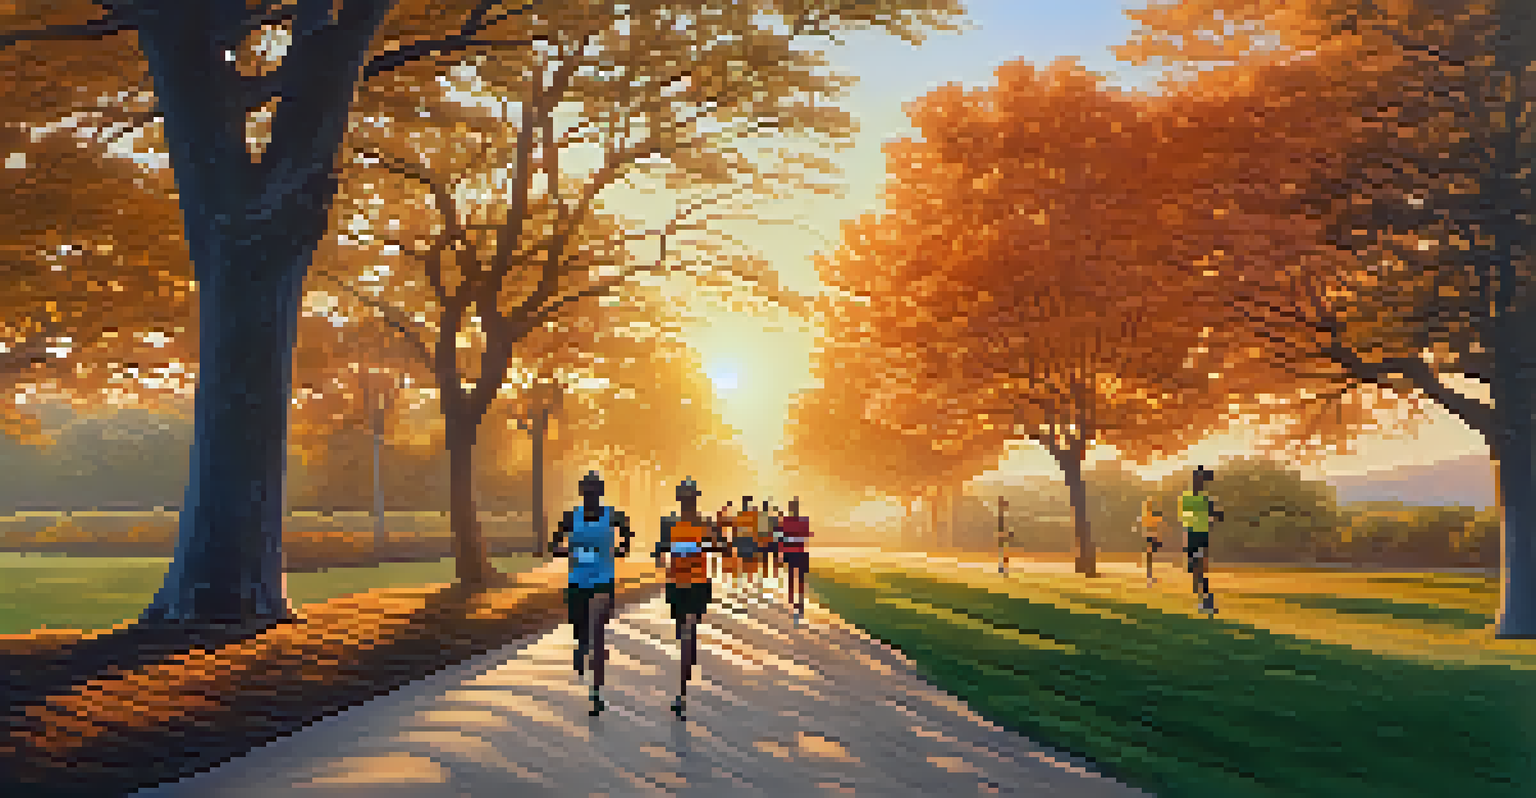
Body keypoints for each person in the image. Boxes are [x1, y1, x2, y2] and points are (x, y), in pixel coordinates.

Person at [551, 470, 633, 715]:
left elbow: (627, 529)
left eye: (595, 492)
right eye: (587, 492)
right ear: (581, 493)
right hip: (577, 582)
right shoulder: (570, 517)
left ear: (601, 493)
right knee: (581, 627)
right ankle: (580, 645)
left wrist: (623, 546)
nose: (591, 496)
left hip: (602, 581)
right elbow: (553, 545)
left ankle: (596, 691)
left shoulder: (612, 515)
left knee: (598, 633)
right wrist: (565, 551)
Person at [655, 477, 723, 719]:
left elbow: (721, 546)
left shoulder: (704, 524)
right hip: (679, 584)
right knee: (684, 630)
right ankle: (687, 658)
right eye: (686, 498)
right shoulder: (671, 523)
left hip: (693, 584)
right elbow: (660, 548)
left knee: (688, 629)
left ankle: (682, 691)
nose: (687, 502)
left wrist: (710, 545)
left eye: (689, 498)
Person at [1179, 466, 1224, 614]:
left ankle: (1204, 598)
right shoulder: (1198, 498)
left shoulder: (1198, 497)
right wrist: (1215, 515)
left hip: (1197, 535)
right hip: (1196, 535)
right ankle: (1204, 598)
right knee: (1198, 568)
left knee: (1199, 569)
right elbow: (1193, 517)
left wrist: (1215, 516)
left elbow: (1209, 516)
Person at [778, 497, 813, 626]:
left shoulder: (787, 521)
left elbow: (782, 537)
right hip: (797, 551)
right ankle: (796, 599)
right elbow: (805, 534)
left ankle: (794, 598)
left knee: (794, 576)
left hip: (794, 551)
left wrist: (781, 551)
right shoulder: (801, 521)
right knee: (796, 577)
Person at [728, 495, 759, 601]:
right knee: (745, 567)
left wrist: (734, 544)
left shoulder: (741, 516)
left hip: (744, 543)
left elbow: (735, 531)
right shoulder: (751, 517)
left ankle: (741, 589)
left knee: (742, 567)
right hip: (748, 543)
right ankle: (744, 590)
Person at [1140, 496, 1165, 587]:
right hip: (1150, 536)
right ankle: (1149, 576)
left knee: (1150, 556)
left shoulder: (1150, 515)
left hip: (1151, 536)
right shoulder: (1147, 515)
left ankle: (1149, 575)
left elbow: (1159, 522)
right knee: (1149, 556)